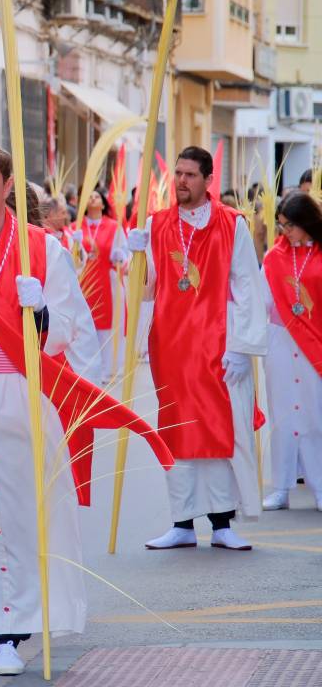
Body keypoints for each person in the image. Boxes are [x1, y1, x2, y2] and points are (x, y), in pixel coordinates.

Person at [0, 144, 169, 677]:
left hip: (18, 393)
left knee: (20, 516)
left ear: (7, 187)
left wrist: (40, 307)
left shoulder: (41, 249)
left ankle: (11, 633)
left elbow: (71, 329)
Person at [128, 146, 268, 551]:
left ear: (208, 180)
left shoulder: (230, 224)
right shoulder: (156, 224)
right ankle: (182, 524)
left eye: (190, 175)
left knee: (219, 432)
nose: (181, 181)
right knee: (178, 433)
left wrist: (242, 347)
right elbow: (146, 291)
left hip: (218, 347)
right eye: (178, 173)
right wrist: (136, 258)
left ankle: (222, 524)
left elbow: (247, 283)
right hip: (172, 348)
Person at [261, 193, 322, 511]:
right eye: (282, 225)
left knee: (315, 415)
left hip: (315, 342)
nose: (285, 231)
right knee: (282, 416)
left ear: (307, 222)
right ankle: (281, 487)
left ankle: (320, 486)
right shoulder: (274, 257)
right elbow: (262, 300)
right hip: (281, 342)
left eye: (290, 225)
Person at [71, 189, 127, 377]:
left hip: (107, 282)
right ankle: (87, 369)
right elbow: (71, 257)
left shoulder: (114, 227)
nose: (93, 198)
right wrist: (75, 245)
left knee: (107, 327)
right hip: (83, 282)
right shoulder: (76, 227)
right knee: (84, 325)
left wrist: (121, 256)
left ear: (103, 204)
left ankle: (107, 369)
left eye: (97, 196)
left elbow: (124, 255)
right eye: (90, 196)